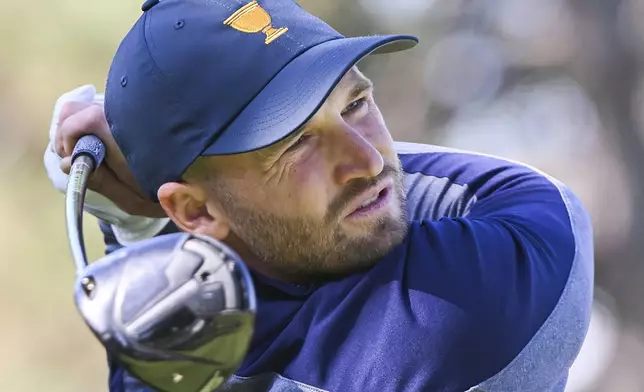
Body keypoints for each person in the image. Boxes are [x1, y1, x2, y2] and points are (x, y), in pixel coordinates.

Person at [44, 0, 594, 391]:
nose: (370, 160)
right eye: (297, 143)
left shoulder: (461, 317)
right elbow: (535, 197)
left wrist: (136, 216)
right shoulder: (474, 294)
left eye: (355, 104)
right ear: (194, 210)